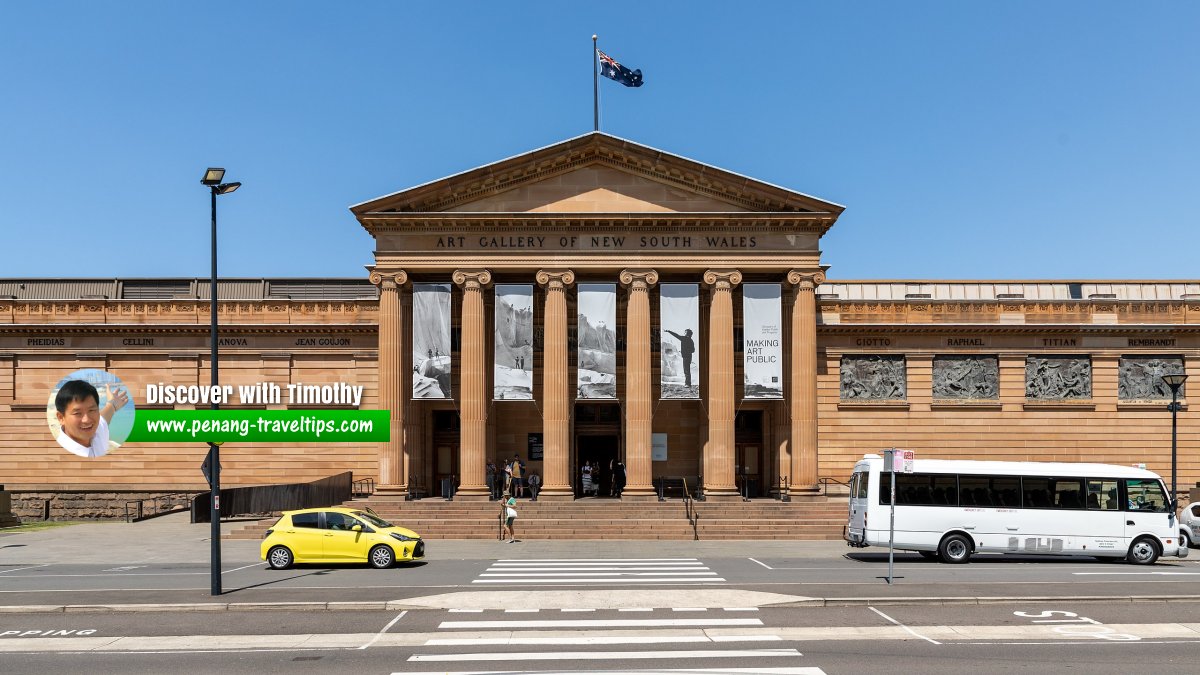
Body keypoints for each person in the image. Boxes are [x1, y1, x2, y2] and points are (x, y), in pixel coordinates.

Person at [54, 380, 128, 458]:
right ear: (61, 418)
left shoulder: (97, 432)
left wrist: (112, 404)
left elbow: (104, 418)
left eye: (91, 410)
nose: (87, 420)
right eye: (77, 413)